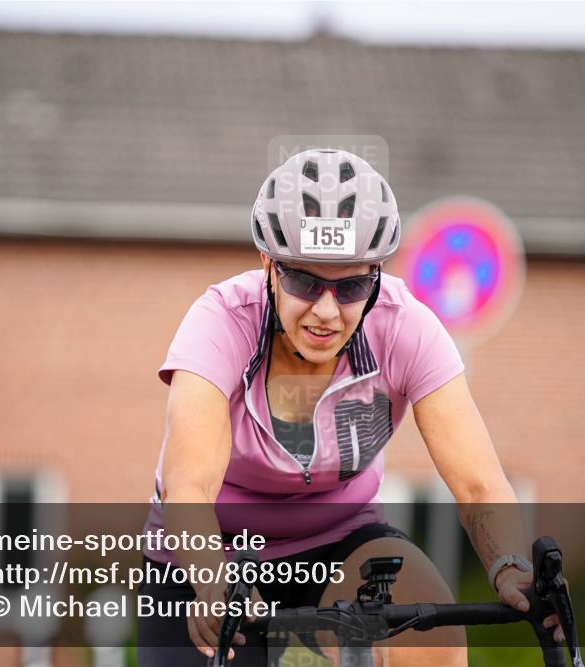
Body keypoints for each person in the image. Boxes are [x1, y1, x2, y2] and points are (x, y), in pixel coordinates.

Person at [137, 149, 562, 666]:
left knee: (432, 637)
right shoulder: (220, 322)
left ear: (376, 276)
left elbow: (478, 485)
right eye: (303, 282)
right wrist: (211, 579)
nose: (326, 311)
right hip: (215, 546)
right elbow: (189, 485)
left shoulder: (405, 328)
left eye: (351, 287)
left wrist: (511, 566)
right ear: (269, 266)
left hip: (341, 539)